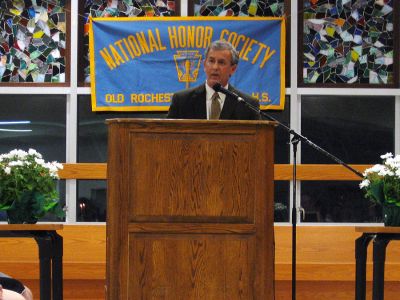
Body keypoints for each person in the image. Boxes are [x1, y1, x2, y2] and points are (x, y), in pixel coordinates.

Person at [167, 39, 261, 120]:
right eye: (211, 61)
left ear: (233, 69)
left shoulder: (247, 105)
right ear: (204, 65)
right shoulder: (182, 101)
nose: (215, 67)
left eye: (221, 62)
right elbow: (167, 137)